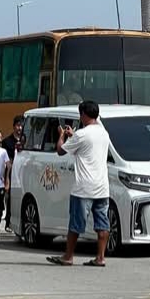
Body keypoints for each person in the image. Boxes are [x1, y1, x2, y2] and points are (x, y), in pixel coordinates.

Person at [46, 101, 111, 267]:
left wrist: (62, 134)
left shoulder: (82, 134)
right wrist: (73, 135)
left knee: (76, 224)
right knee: (102, 224)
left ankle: (68, 256)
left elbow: (61, 151)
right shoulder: (104, 133)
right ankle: (100, 257)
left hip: (83, 187)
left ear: (83, 114)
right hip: (102, 187)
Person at [1, 115, 24, 232]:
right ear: (14, 126)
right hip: (11, 173)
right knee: (10, 198)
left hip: (24, 173)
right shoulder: (7, 142)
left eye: (21, 126)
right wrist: (6, 178)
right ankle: (8, 221)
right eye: (18, 125)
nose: (20, 128)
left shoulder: (27, 140)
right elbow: (7, 162)